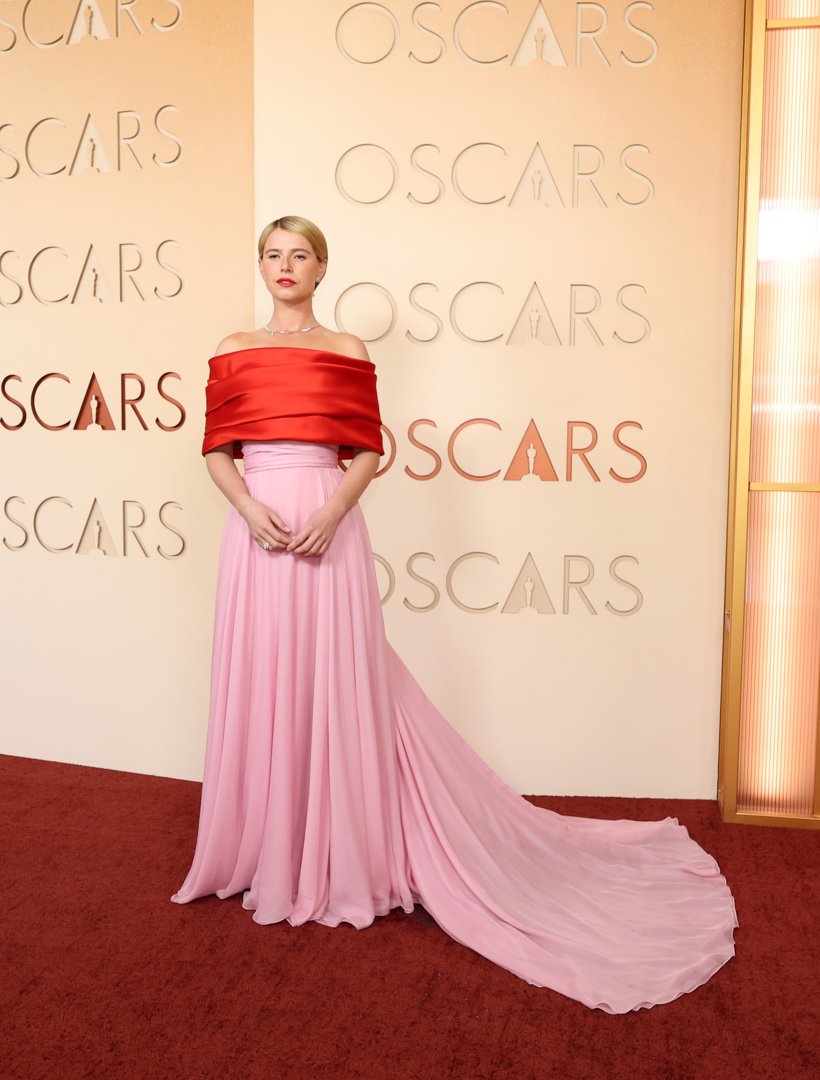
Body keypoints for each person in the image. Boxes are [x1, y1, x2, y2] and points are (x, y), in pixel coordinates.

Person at [171, 215, 738, 1014]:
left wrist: (333, 512)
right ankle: (264, 846)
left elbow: (368, 449)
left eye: (300, 255)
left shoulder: (347, 351)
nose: (285, 266)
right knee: (264, 678)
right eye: (272, 254)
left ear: (323, 268)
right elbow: (215, 448)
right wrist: (247, 508)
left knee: (336, 680)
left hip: (325, 527)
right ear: (260, 265)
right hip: (255, 530)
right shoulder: (231, 346)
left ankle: (338, 850)